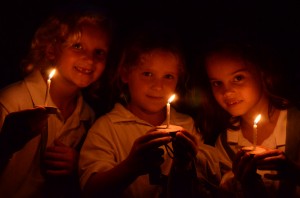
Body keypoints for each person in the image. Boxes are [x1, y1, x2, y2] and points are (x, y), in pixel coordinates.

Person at [79, 23, 221, 198]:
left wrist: (185, 164)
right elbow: (90, 190)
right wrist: (130, 167)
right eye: (147, 74)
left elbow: (204, 186)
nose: (158, 86)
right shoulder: (106, 128)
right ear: (125, 74)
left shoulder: (186, 125)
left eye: (168, 76)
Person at [0, 3, 113, 198]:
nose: (90, 59)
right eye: (77, 46)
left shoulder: (87, 118)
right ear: (51, 49)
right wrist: (6, 143)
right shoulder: (11, 101)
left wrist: (79, 167)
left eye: (99, 52)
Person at [197, 39, 300, 197]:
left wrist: (295, 173)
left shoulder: (296, 123)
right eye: (217, 83)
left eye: (238, 78)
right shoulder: (226, 143)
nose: (227, 92)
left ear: (262, 72)